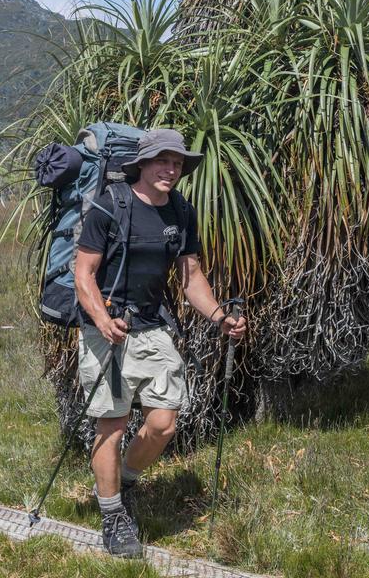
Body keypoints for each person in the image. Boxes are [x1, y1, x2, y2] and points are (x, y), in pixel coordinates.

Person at [74, 128, 247, 559]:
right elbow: (84, 275)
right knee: (111, 426)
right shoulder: (110, 205)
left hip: (152, 328)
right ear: (143, 165)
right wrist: (101, 318)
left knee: (163, 425)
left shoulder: (180, 211)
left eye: (177, 163)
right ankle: (113, 515)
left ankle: (124, 482)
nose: (171, 169)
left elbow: (191, 276)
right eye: (162, 161)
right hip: (105, 331)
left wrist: (219, 317)